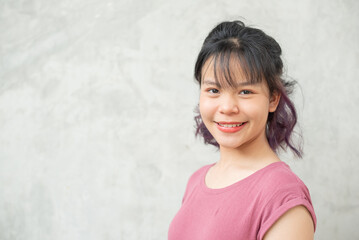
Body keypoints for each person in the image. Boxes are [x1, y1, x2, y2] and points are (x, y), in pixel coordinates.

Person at [168, 20, 316, 240]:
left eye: (245, 92)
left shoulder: (283, 196)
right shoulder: (197, 180)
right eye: (213, 90)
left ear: (273, 98)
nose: (227, 107)